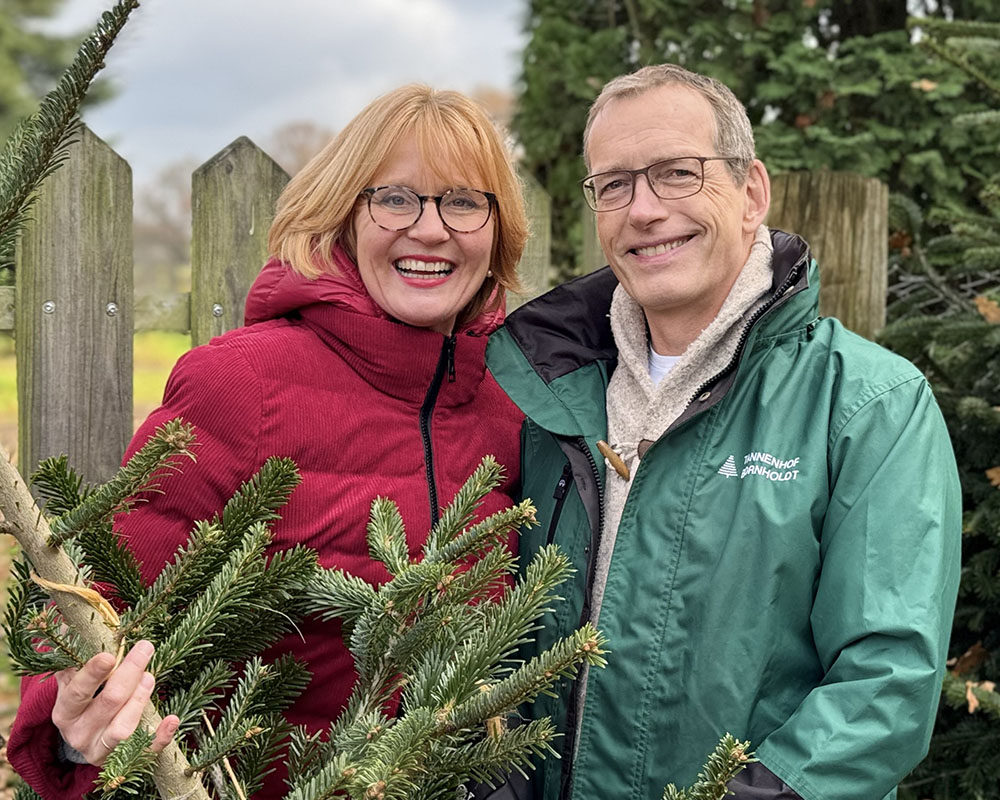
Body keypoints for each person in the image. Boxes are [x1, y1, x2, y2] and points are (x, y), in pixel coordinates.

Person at [8, 84, 528, 800]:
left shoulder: (515, 401)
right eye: (396, 198)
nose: (432, 229)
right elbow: (102, 602)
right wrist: (70, 729)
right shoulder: (242, 385)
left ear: (498, 230)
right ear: (344, 214)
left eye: (464, 201)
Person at [485, 64, 962, 800]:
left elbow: (887, 683)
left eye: (677, 172)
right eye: (613, 184)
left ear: (751, 194)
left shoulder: (869, 405)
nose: (642, 209)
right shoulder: (556, 397)